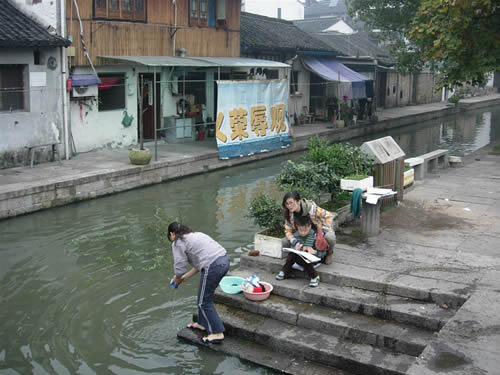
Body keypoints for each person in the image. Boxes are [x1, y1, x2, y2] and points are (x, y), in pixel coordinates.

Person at [168, 222, 230, 344]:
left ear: (172, 233)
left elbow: (179, 268)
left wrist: (176, 278)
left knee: (203, 301)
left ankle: (217, 333)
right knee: (203, 297)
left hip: (213, 266)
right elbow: (198, 265)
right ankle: (203, 324)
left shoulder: (178, 242)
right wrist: (183, 278)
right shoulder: (196, 235)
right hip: (224, 260)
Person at [281, 191, 336, 265]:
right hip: (300, 233)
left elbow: (329, 215)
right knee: (285, 241)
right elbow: (288, 231)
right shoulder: (289, 214)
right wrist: (294, 241)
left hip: (317, 233)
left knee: (330, 237)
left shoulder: (312, 208)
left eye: (291, 202)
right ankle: (287, 258)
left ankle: (329, 253)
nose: (289, 206)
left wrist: (324, 230)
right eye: (287, 204)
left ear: (298, 201)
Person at [276, 215, 326, 287]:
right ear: (297, 227)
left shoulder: (316, 237)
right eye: (300, 230)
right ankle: (284, 272)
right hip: (299, 259)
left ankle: (315, 276)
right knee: (292, 254)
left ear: (309, 227)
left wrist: (314, 252)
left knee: (301, 257)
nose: (302, 233)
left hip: (313, 260)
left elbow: (323, 253)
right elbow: (294, 249)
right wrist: (296, 249)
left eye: (305, 230)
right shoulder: (296, 236)